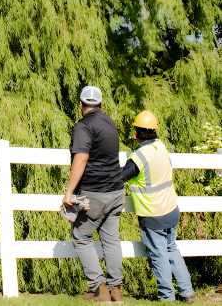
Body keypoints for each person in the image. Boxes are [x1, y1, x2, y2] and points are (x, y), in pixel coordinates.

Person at [121, 110, 194, 303]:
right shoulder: (161, 147)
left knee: (159, 255)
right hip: (171, 209)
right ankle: (186, 292)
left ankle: (166, 296)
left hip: (153, 214)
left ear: (136, 132)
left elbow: (120, 176)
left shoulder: (139, 156)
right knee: (171, 249)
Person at [62, 85, 125, 303]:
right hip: (116, 192)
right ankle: (116, 290)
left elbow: (81, 158)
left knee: (80, 237)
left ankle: (99, 289)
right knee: (111, 240)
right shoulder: (109, 121)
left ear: (81, 105)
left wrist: (68, 193)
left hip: (94, 194)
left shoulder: (83, 126)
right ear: (101, 104)